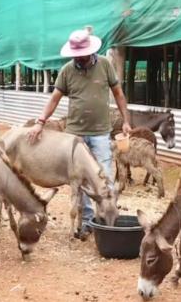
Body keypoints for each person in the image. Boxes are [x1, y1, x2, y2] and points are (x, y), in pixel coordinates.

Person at [27, 27, 131, 240]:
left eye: (81, 54)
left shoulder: (105, 65)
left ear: (89, 50)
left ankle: (108, 214)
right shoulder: (67, 70)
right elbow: (55, 98)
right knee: (80, 180)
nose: (78, 58)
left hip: (101, 132)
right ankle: (87, 221)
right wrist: (40, 122)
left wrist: (127, 121)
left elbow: (118, 94)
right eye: (75, 54)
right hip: (75, 136)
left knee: (105, 176)